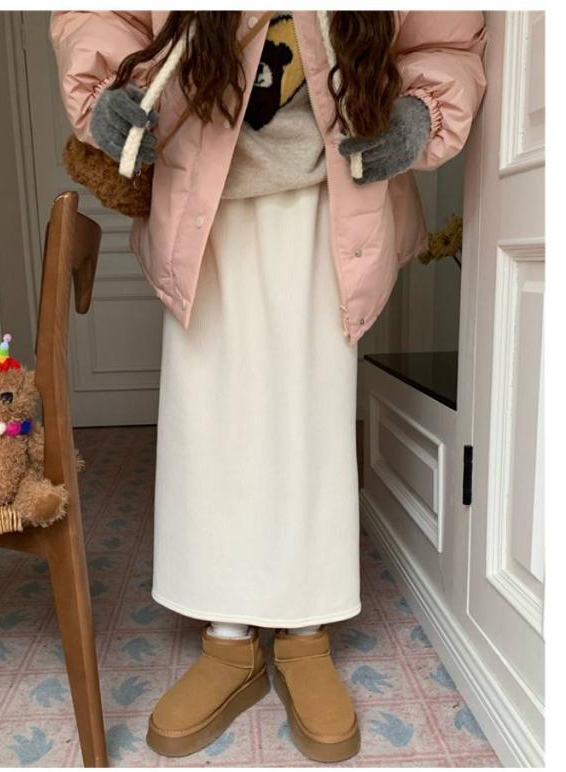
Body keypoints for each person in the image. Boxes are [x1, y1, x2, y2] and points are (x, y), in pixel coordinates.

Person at [50, 10, 486, 762]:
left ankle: (304, 631)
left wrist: (423, 108)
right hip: (202, 193)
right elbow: (102, 14)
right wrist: (104, 91)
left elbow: (442, 31)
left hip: (332, 193)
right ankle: (227, 638)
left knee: (311, 425)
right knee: (208, 425)